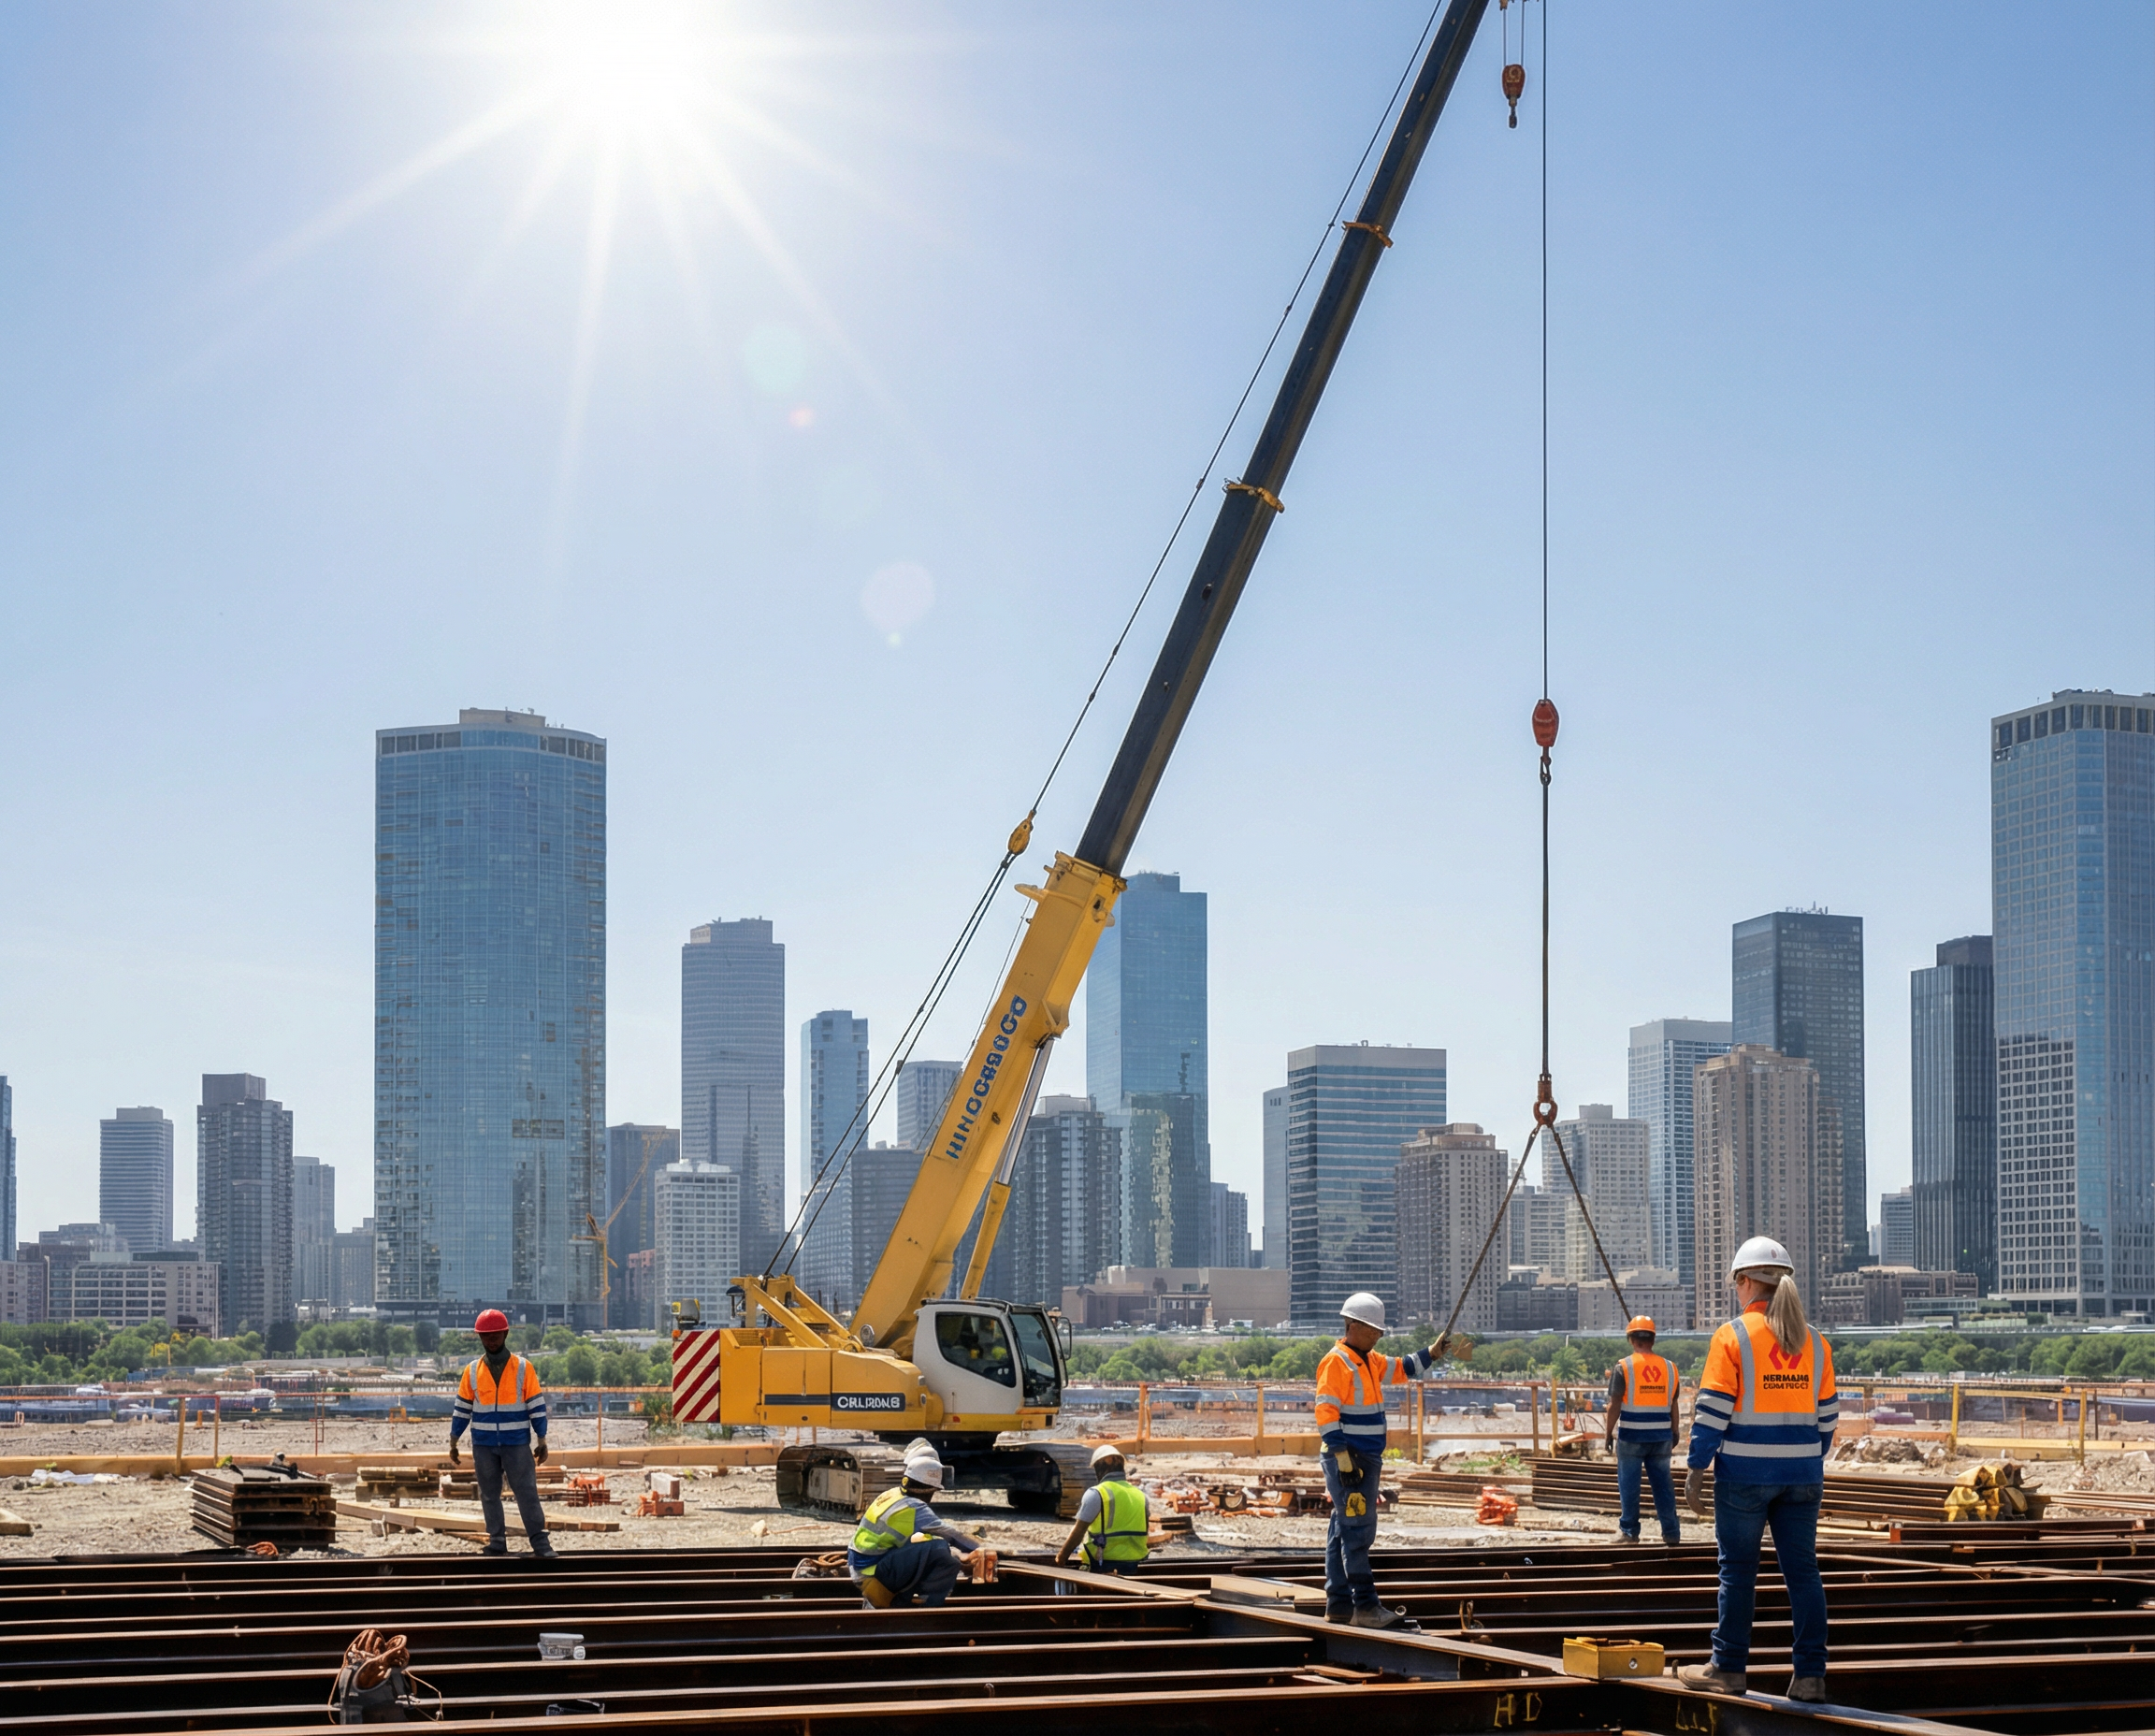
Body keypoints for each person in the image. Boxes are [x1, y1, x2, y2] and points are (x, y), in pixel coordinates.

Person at [1677, 1237, 1837, 1703]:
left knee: (1738, 1571)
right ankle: (1810, 1676)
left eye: (1736, 1284)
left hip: (1744, 1477)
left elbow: (1712, 1410)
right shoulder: (1816, 1342)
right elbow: (1827, 1419)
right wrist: (1804, 1456)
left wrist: (1696, 1468)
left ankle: (1728, 1668)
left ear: (1745, 1281)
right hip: (1803, 1476)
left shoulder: (1733, 1336)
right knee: (1803, 1573)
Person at [1315, 1291, 1450, 1628]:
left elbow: (1401, 1368)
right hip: (1350, 1459)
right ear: (1352, 1325)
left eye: (1379, 1331)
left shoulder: (1369, 1360)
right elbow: (1325, 1410)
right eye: (1372, 1329)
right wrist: (1343, 1456)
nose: (1377, 1335)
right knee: (1358, 1529)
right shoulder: (1338, 1361)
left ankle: (1340, 1604)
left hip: (1362, 1458)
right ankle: (1365, 1606)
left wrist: (1431, 1354)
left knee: (1342, 1527)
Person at [447, 1309, 555, 1560]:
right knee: (489, 1493)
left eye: (495, 1334)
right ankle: (497, 1541)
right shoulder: (472, 1371)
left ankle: (540, 1542)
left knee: (526, 1491)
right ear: (480, 1338)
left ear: (505, 1333)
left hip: (516, 1442)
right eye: (486, 1335)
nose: (491, 1339)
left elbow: (536, 1405)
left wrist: (542, 1438)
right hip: (484, 1444)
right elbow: (462, 1407)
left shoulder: (523, 1368)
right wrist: (454, 1439)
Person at [848, 1443, 996, 1608]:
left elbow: (924, 1537)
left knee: (932, 1545)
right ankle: (925, 1608)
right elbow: (951, 1535)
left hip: (863, 1571)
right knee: (941, 1550)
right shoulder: (915, 1508)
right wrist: (982, 1549)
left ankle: (902, 1599)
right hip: (874, 1576)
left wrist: (961, 1556)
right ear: (928, 1490)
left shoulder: (892, 1495)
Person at [1603, 1315, 1683, 1545]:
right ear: (1653, 1339)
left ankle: (1629, 1533)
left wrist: (1609, 1433)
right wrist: (1674, 1430)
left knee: (1629, 1485)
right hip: (1661, 1437)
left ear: (1631, 1339)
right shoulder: (1670, 1368)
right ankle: (1671, 1533)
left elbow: (1614, 1405)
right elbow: (1673, 1404)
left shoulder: (1623, 1367)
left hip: (1632, 1436)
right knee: (1663, 1486)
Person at [1055, 1444, 1151, 1574]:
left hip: (1103, 1565)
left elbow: (1078, 1532)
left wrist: (1060, 1559)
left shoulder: (1097, 1493)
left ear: (1099, 1467)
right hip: (1137, 1565)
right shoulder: (1141, 1495)